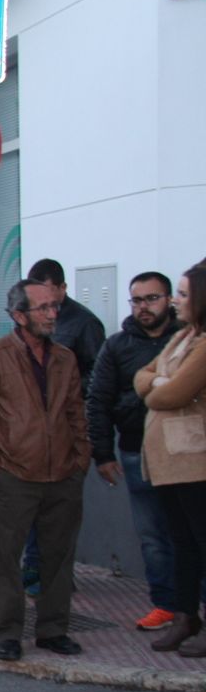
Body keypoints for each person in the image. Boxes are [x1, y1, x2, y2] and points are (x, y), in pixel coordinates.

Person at [0, 279, 91, 662]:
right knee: (6, 559)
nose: (53, 314)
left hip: (63, 475)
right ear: (19, 316)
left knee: (58, 558)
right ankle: (8, 633)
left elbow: (76, 414)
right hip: (13, 476)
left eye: (55, 307)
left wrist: (81, 460)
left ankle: (53, 629)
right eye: (44, 308)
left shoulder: (65, 357)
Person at [88, 272, 185, 631]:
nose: (144, 307)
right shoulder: (117, 345)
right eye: (137, 300)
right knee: (152, 535)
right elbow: (98, 400)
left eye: (152, 299)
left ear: (170, 299)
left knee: (191, 532)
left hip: (185, 454)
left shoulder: (186, 341)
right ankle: (166, 605)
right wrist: (102, 453)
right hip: (135, 452)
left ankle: (194, 605)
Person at [136, 260, 206, 655]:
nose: (177, 302)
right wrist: (158, 382)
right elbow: (142, 375)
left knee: (201, 542)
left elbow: (172, 394)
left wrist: (159, 385)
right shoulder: (183, 337)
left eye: (183, 294)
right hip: (168, 463)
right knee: (182, 543)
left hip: (195, 462)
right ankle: (185, 616)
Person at [28, 257, 107, 390]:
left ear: (62, 288)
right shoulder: (32, 318)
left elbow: (100, 374)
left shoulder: (86, 323)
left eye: (46, 291)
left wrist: (65, 388)